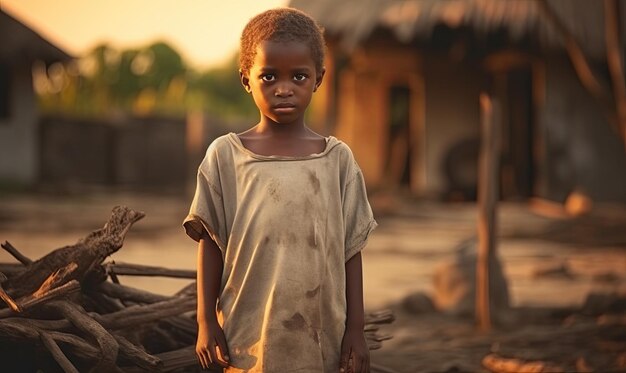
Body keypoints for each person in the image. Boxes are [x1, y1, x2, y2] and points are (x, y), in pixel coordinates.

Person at [183, 7, 377, 373]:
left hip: (322, 338)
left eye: (298, 76)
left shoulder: (337, 160)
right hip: (247, 336)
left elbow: (352, 250)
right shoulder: (225, 157)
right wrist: (206, 323)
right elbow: (209, 242)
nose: (283, 88)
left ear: (318, 79)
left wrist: (355, 329)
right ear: (246, 79)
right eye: (268, 76)